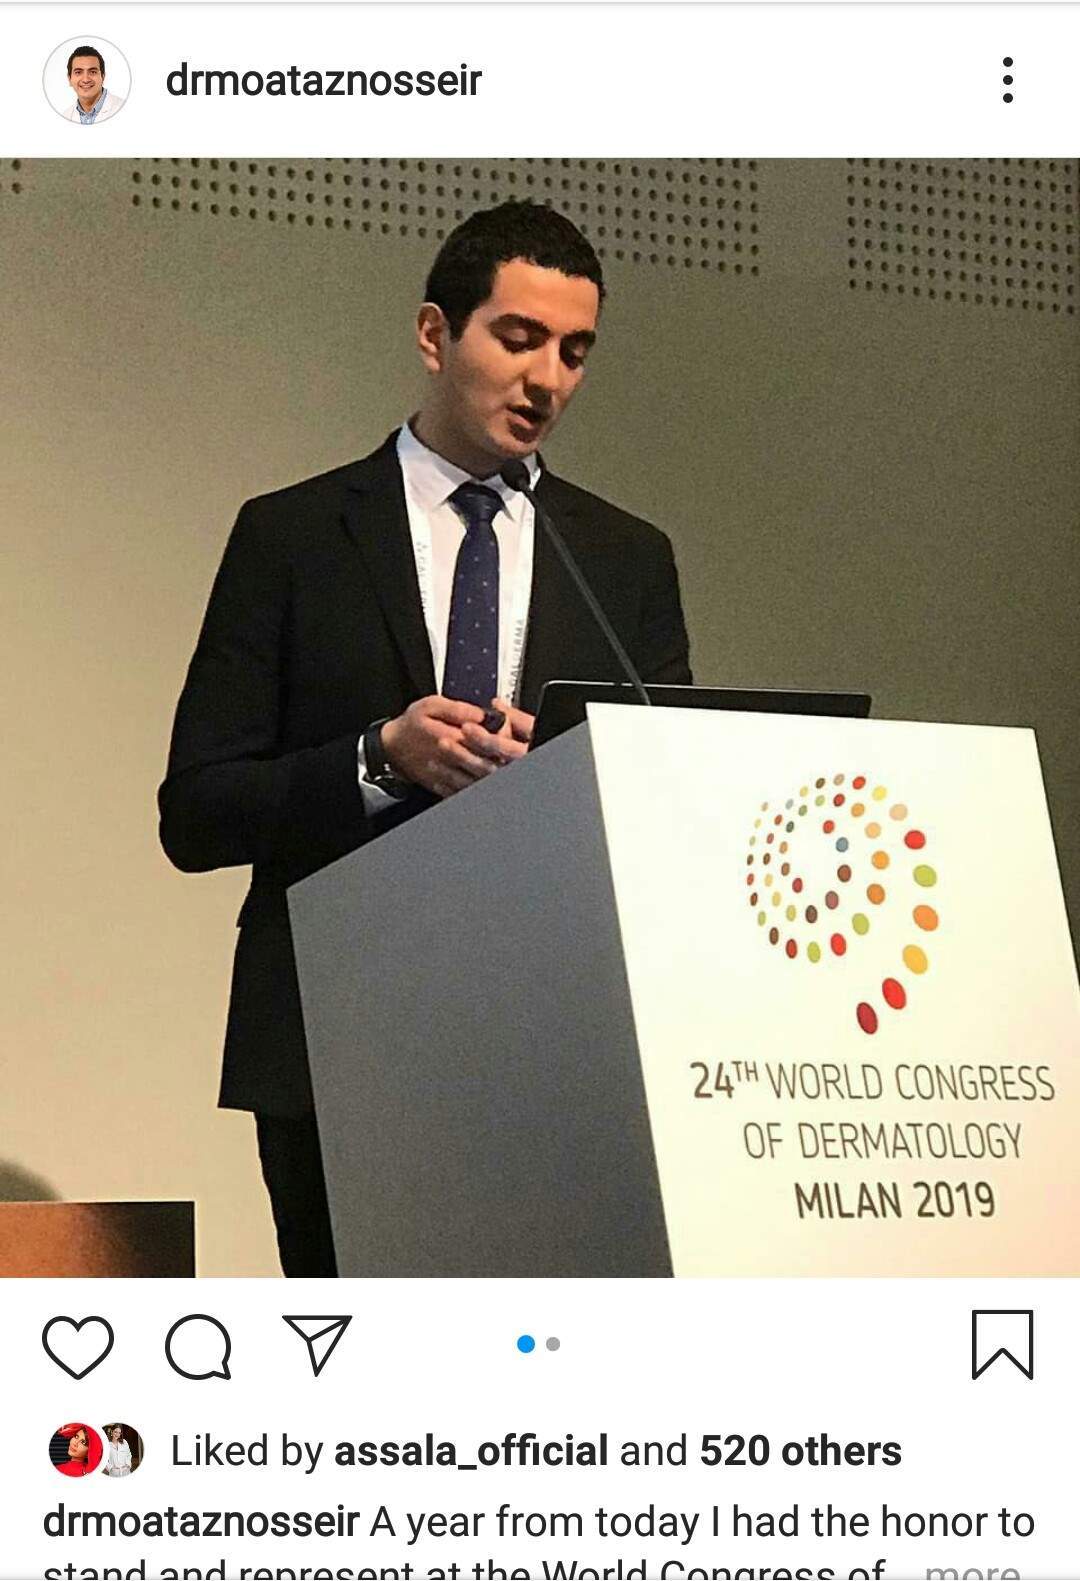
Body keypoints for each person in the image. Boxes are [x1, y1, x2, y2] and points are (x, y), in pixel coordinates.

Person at [159, 200, 692, 1277]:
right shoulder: (295, 536)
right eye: (520, 337)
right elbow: (196, 811)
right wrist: (376, 760)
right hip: (336, 1035)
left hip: (556, 1043)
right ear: (435, 333)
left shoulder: (623, 558)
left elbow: (672, 808)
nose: (547, 380)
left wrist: (567, 777)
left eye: (575, 352)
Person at [61, 46, 125, 123]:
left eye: (93, 72)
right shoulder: (65, 116)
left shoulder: (123, 108)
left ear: (103, 77)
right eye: (78, 72)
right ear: (69, 79)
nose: (85, 80)